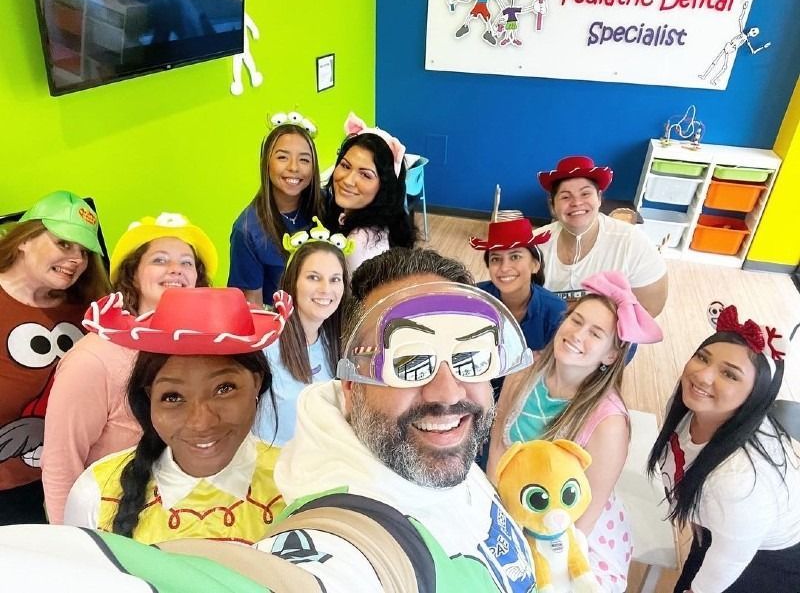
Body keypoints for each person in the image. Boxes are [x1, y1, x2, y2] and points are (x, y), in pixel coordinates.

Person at [0, 249, 538, 593]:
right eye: (409, 362)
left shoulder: (288, 474)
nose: (201, 419)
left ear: (259, 385)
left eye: (469, 358)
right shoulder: (321, 499)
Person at [63, 287, 292, 544]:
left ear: (257, 382)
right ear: (149, 397)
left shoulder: (298, 485)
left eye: (224, 389)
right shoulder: (96, 494)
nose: (201, 422)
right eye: (173, 397)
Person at [488, 271, 663, 591]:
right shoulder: (523, 370)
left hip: (566, 534)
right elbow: (499, 444)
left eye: (596, 333)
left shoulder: (608, 423)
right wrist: (499, 517)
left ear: (611, 355)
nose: (577, 334)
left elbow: (585, 514)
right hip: (512, 507)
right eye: (576, 320)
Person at [42, 212, 217, 525]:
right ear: (133, 274)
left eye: (187, 262)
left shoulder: (207, 351)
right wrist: (72, 545)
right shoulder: (95, 358)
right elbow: (60, 464)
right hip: (114, 528)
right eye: (160, 260)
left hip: (191, 524)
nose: (176, 269)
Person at [647, 304, 800, 592]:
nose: (703, 376)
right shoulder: (689, 407)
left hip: (772, 560)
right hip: (728, 531)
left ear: (756, 394)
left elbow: (727, 561)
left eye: (730, 375)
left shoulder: (739, 483)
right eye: (702, 357)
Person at [0, 190, 109, 525]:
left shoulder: (91, 312)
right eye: (64, 244)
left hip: (68, 483)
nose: (77, 259)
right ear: (24, 240)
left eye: (84, 251)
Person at [253, 217, 350, 446]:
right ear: (292, 281)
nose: (326, 289)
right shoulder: (266, 344)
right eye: (313, 277)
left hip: (321, 461)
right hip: (271, 469)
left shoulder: (336, 339)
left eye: (335, 279)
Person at [535, 155, 668, 317]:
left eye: (585, 194)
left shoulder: (632, 243)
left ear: (599, 198)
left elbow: (650, 307)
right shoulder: (536, 243)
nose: (576, 202)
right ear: (552, 206)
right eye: (565, 196)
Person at [229, 117, 324, 306]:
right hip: (281, 325)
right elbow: (252, 307)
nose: (294, 167)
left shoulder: (326, 205)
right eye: (282, 157)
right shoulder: (247, 230)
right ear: (266, 163)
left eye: (304, 159)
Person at [324, 112, 416, 272]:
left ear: (384, 186)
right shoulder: (385, 223)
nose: (348, 180)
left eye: (365, 174)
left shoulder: (358, 242)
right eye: (345, 166)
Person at [470, 215, 566, 352]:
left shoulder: (556, 311)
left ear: (535, 265)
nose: (504, 268)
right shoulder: (473, 299)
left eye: (515, 257)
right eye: (496, 259)